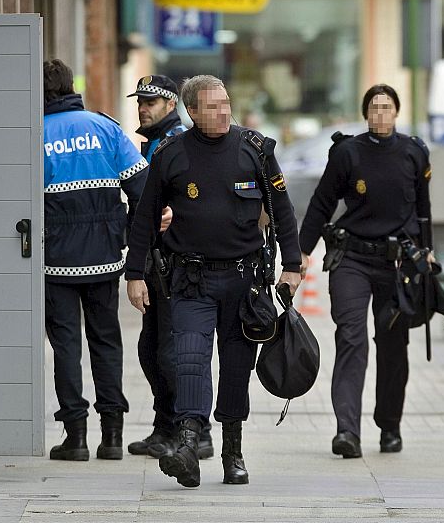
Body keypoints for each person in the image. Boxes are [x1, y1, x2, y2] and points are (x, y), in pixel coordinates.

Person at [126, 75, 302, 487]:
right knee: (188, 360)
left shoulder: (255, 150)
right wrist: (135, 274)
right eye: (213, 106)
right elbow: (145, 220)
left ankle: (232, 451)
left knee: (236, 369)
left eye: (226, 103)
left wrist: (291, 264)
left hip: (243, 282)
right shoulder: (170, 154)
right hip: (190, 280)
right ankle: (188, 446)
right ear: (192, 112)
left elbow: (282, 210)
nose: (224, 111)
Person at [298, 84, 433, 458]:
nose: (381, 114)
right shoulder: (347, 152)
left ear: (397, 111)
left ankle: (390, 426)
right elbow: (321, 205)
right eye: (374, 107)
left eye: (387, 107)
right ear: (365, 113)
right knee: (351, 339)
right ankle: (347, 431)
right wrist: (301, 254)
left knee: (393, 346)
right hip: (352, 260)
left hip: (398, 264)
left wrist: (428, 254)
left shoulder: (414, 152)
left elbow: (423, 211)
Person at [42, 59, 148, 461]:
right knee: (106, 342)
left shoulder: (35, 133)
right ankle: (113, 436)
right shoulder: (105, 128)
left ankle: (76, 436)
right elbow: (142, 188)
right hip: (104, 256)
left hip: (56, 260)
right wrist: (130, 237)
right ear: (72, 87)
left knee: (66, 346)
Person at [124, 75, 214, 460]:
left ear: (172, 104)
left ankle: (197, 432)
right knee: (152, 349)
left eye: (150, 102)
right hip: (154, 263)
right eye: (140, 101)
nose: (142, 107)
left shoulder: (179, 144)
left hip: (176, 265)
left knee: (171, 352)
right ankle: (165, 429)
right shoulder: (155, 144)